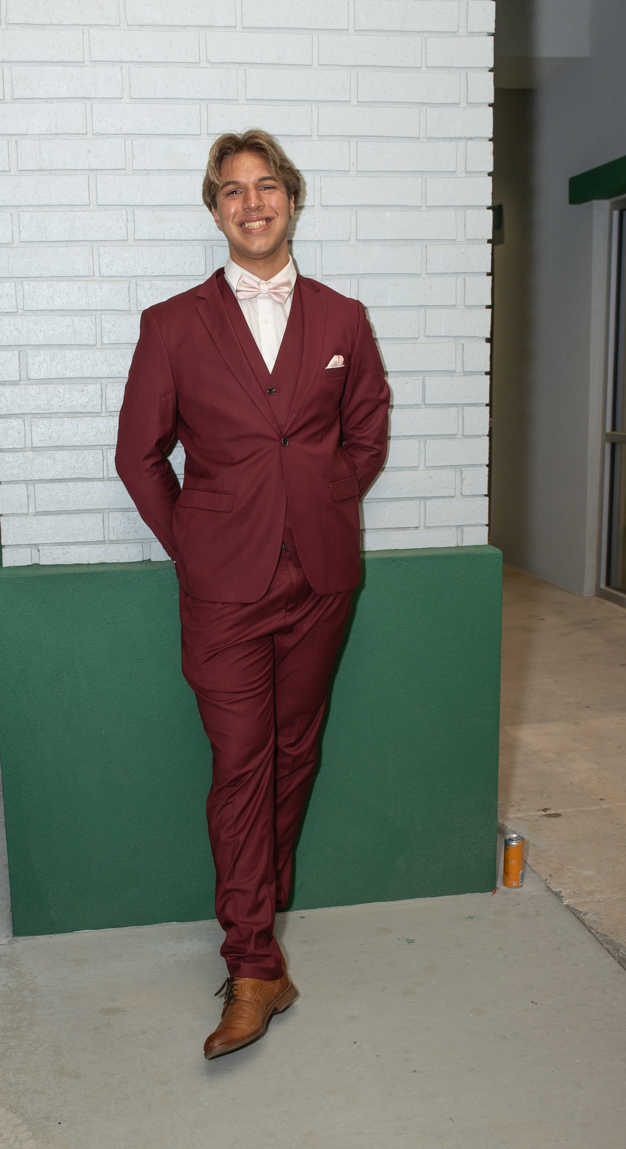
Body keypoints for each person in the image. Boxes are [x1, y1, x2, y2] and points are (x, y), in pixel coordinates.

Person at [115, 130, 390, 1059]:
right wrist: (193, 545)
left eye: (266, 185)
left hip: (320, 580)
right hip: (223, 589)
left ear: (292, 200)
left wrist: (323, 505)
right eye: (232, 190)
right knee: (242, 764)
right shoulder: (172, 324)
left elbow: (367, 432)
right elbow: (139, 455)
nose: (252, 202)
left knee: (294, 755)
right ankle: (250, 962)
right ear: (216, 210)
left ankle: (261, 942)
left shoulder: (344, 318)